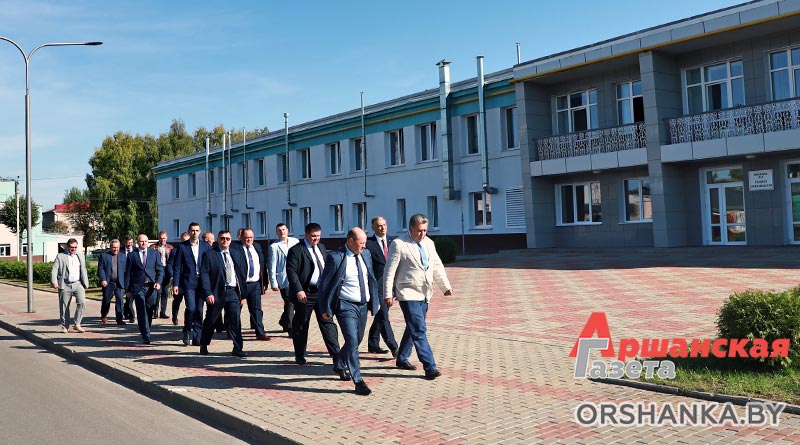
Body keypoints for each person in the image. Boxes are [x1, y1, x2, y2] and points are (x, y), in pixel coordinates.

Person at [383, 214, 454, 380]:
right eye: (419, 231)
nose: (422, 234)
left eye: (425, 230)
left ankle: (402, 358)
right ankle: (430, 367)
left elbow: (437, 265)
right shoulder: (399, 244)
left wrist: (445, 286)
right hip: (407, 293)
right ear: (411, 229)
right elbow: (389, 271)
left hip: (425, 293)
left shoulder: (429, 243)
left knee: (413, 327)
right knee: (419, 329)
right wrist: (387, 294)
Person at [319, 227, 380, 396]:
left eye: (365, 243)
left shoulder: (365, 254)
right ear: (350, 241)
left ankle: (339, 362)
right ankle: (358, 381)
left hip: (363, 305)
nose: (364, 246)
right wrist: (324, 308)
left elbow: (371, 278)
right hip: (345, 305)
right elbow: (325, 285)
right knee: (352, 341)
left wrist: (375, 300)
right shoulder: (336, 257)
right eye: (361, 243)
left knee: (357, 339)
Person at [286, 222, 341, 372]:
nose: (316, 239)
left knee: (327, 322)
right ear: (306, 235)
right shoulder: (296, 250)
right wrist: (299, 290)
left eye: (318, 236)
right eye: (313, 236)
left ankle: (336, 354)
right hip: (305, 293)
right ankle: (300, 354)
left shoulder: (321, 247)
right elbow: (291, 271)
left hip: (322, 293)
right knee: (301, 324)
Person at [198, 230, 248, 357]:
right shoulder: (210, 254)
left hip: (233, 292)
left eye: (227, 239)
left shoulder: (236, 253)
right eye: (222, 238)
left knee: (235, 320)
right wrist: (208, 293)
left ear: (231, 240)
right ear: (218, 240)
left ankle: (237, 348)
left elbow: (241, 273)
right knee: (211, 319)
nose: (225, 241)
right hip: (217, 292)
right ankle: (203, 344)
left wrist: (243, 294)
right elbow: (204, 275)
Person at [172, 222, 210, 346]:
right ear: (189, 232)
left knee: (199, 310)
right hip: (188, 282)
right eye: (192, 230)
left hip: (202, 283)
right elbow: (177, 267)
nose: (195, 233)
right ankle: (187, 329)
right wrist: (176, 284)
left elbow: (209, 265)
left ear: (200, 231)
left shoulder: (205, 246)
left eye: (197, 230)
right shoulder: (182, 247)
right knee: (191, 308)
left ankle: (197, 336)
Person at [365, 216, 398, 357]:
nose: (382, 227)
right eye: (379, 225)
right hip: (376, 286)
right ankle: (394, 347)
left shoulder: (394, 242)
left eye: (384, 224)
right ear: (373, 228)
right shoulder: (368, 244)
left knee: (380, 315)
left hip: (390, 285)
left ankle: (373, 343)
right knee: (383, 315)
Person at [125, 234, 164, 344]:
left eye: (146, 241)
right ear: (137, 242)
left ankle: (147, 328)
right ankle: (145, 334)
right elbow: (128, 273)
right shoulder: (132, 255)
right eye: (141, 241)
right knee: (141, 310)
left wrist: (158, 282)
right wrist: (127, 289)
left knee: (149, 310)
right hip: (138, 288)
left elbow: (160, 270)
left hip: (151, 287)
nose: (144, 243)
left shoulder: (154, 253)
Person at [234, 228, 270, 341]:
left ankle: (260, 332)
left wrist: (265, 281)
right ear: (241, 237)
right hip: (241, 284)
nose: (249, 240)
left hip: (255, 284)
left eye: (251, 237)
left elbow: (262, 264)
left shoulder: (257, 247)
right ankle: (233, 331)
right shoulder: (235, 248)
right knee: (235, 309)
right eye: (246, 237)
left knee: (256, 309)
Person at [50, 238, 90, 333]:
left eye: (75, 247)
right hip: (65, 284)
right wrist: (54, 281)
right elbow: (54, 269)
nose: (73, 249)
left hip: (78, 283)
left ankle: (77, 324)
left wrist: (85, 281)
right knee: (64, 306)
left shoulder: (80, 255)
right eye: (72, 247)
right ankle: (65, 326)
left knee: (82, 303)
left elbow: (83, 269)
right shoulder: (61, 256)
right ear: (68, 247)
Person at [268, 223, 299, 335]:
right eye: (279, 230)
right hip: (284, 279)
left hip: (296, 277)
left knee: (293, 303)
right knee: (290, 302)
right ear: (276, 232)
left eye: (283, 229)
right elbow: (272, 265)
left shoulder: (295, 241)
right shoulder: (274, 246)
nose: (282, 232)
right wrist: (273, 282)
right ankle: (290, 328)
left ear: (287, 230)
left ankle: (284, 321)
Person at [97, 239, 127, 325]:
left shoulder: (123, 256)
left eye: (117, 247)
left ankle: (119, 318)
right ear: (110, 247)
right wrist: (103, 279)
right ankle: (104, 315)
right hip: (108, 282)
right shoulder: (104, 256)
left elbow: (125, 269)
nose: (115, 249)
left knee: (120, 300)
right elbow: (101, 269)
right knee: (106, 300)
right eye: (114, 247)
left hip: (119, 282)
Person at [150, 231, 173, 319]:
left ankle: (163, 312)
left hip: (166, 270)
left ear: (166, 238)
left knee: (165, 293)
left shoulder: (170, 247)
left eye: (164, 238)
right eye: (161, 238)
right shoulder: (153, 247)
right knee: (157, 292)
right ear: (158, 238)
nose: (162, 240)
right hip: (157, 270)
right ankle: (155, 311)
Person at [171, 232, 190, 325]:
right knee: (177, 300)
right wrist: (173, 277)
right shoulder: (175, 251)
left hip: (188, 280)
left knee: (189, 302)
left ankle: (189, 320)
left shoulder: (191, 250)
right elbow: (170, 264)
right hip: (179, 280)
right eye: (183, 241)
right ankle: (174, 316)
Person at [122, 235, 136, 322]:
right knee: (127, 297)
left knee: (130, 298)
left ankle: (131, 316)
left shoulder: (136, 250)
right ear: (124, 243)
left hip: (133, 277)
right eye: (128, 243)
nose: (129, 245)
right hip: (123, 276)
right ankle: (126, 312)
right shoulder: (120, 251)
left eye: (131, 243)